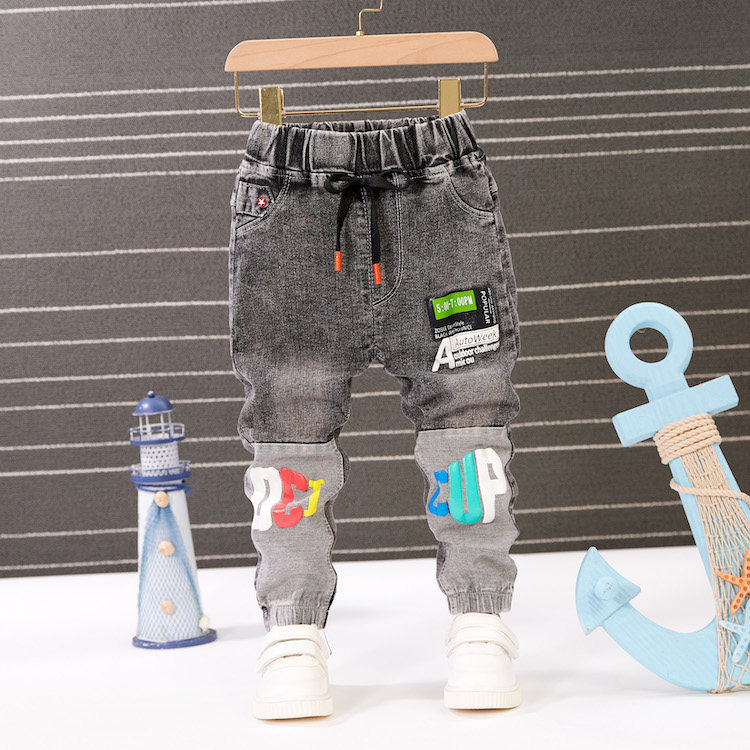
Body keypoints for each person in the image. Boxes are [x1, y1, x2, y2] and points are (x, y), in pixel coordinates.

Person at [228, 111, 522, 719]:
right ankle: (292, 631)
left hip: (439, 195)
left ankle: (479, 619)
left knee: (468, 406)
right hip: (290, 201)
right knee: (289, 411)